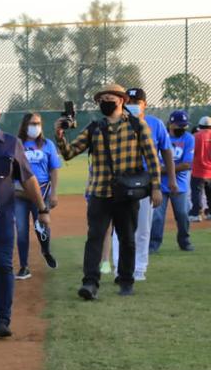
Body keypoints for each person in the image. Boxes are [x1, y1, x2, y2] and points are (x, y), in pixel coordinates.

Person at [55, 83, 162, 299]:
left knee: (127, 239)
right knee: (94, 237)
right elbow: (69, 152)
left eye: (109, 98)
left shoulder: (137, 126)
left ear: (121, 100)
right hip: (99, 192)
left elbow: (152, 158)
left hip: (127, 193)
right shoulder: (94, 128)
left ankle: (126, 280)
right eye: (101, 99)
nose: (105, 102)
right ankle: (90, 283)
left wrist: (156, 188)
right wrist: (59, 134)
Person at [0, 95, 50, 338]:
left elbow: (27, 178)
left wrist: (42, 209)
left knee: (3, 266)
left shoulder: (11, 144)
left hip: (2, 215)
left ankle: (3, 319)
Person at [110, 87, 176, 280]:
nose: (132, 105)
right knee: (120, 227)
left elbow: (167, 151)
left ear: (144, 104)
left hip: (146, 182)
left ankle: (139, 269)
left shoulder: (155, 124)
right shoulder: (117, 123)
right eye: (128, 101)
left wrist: (170, 179)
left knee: (143, 227)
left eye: (136, 102)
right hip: (122, 181)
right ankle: (119, 269)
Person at [15, 112, 62, 278]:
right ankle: (24, 266)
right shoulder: (17, 144)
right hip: (20, 193)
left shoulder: (47, 144)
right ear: (25, 125)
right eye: (32, 123)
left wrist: (54, 193)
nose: (35, 127)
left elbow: (54, 169)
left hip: (42, 193)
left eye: (38, 123)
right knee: (21, 230)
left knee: (42, 226)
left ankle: (46, 250)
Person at [150, 110, 195, 252]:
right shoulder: (161, 137)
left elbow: (187, 164)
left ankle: (185, 241)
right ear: (170, 124)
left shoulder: (188, 138)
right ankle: (153, 244)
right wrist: (163, 170)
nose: (182, 128)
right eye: (179, 125)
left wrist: (163, 169)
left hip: (180, 185)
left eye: (184, 125)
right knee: (157, 217)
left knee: (182, 215)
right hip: (159, 185)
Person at [190, 115, 211, 221]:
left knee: (197, 193)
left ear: (200, 126)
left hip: (198, 170)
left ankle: (196, 213)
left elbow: (191, 153)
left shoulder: (195, 136)